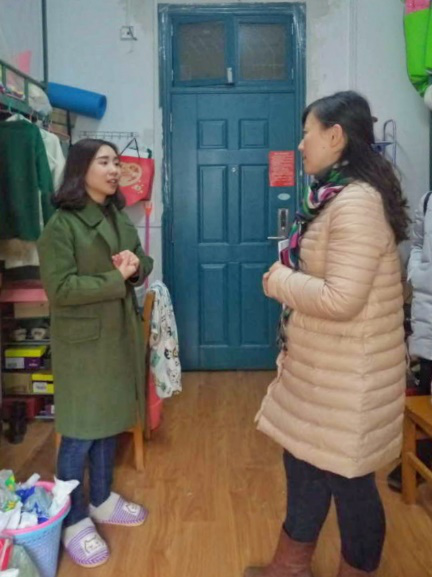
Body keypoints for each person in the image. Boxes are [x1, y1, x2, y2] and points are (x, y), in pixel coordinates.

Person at [245, 91, 410, 577]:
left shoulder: (356, 203)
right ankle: (289, 566)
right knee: (302, 467)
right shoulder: (334, 195)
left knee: (351, 487)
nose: (300, 145)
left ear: (335, 136)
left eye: (307, 134)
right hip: (323, 373)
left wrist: (279, 280)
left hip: (350, 379)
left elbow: (342, 298)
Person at [37, 139, 154, 568]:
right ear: (80, 169)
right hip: (83, 343)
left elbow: (142, 260)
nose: (114, 169)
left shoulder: (115, 214)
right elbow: (61, 289)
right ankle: (72, 520)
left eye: (116, 162)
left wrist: (135, 268)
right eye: (104, 162)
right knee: (81, 430)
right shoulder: (61, 226)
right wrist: (114, 278)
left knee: (107, 421)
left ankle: (102, 498)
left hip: (115, 334)